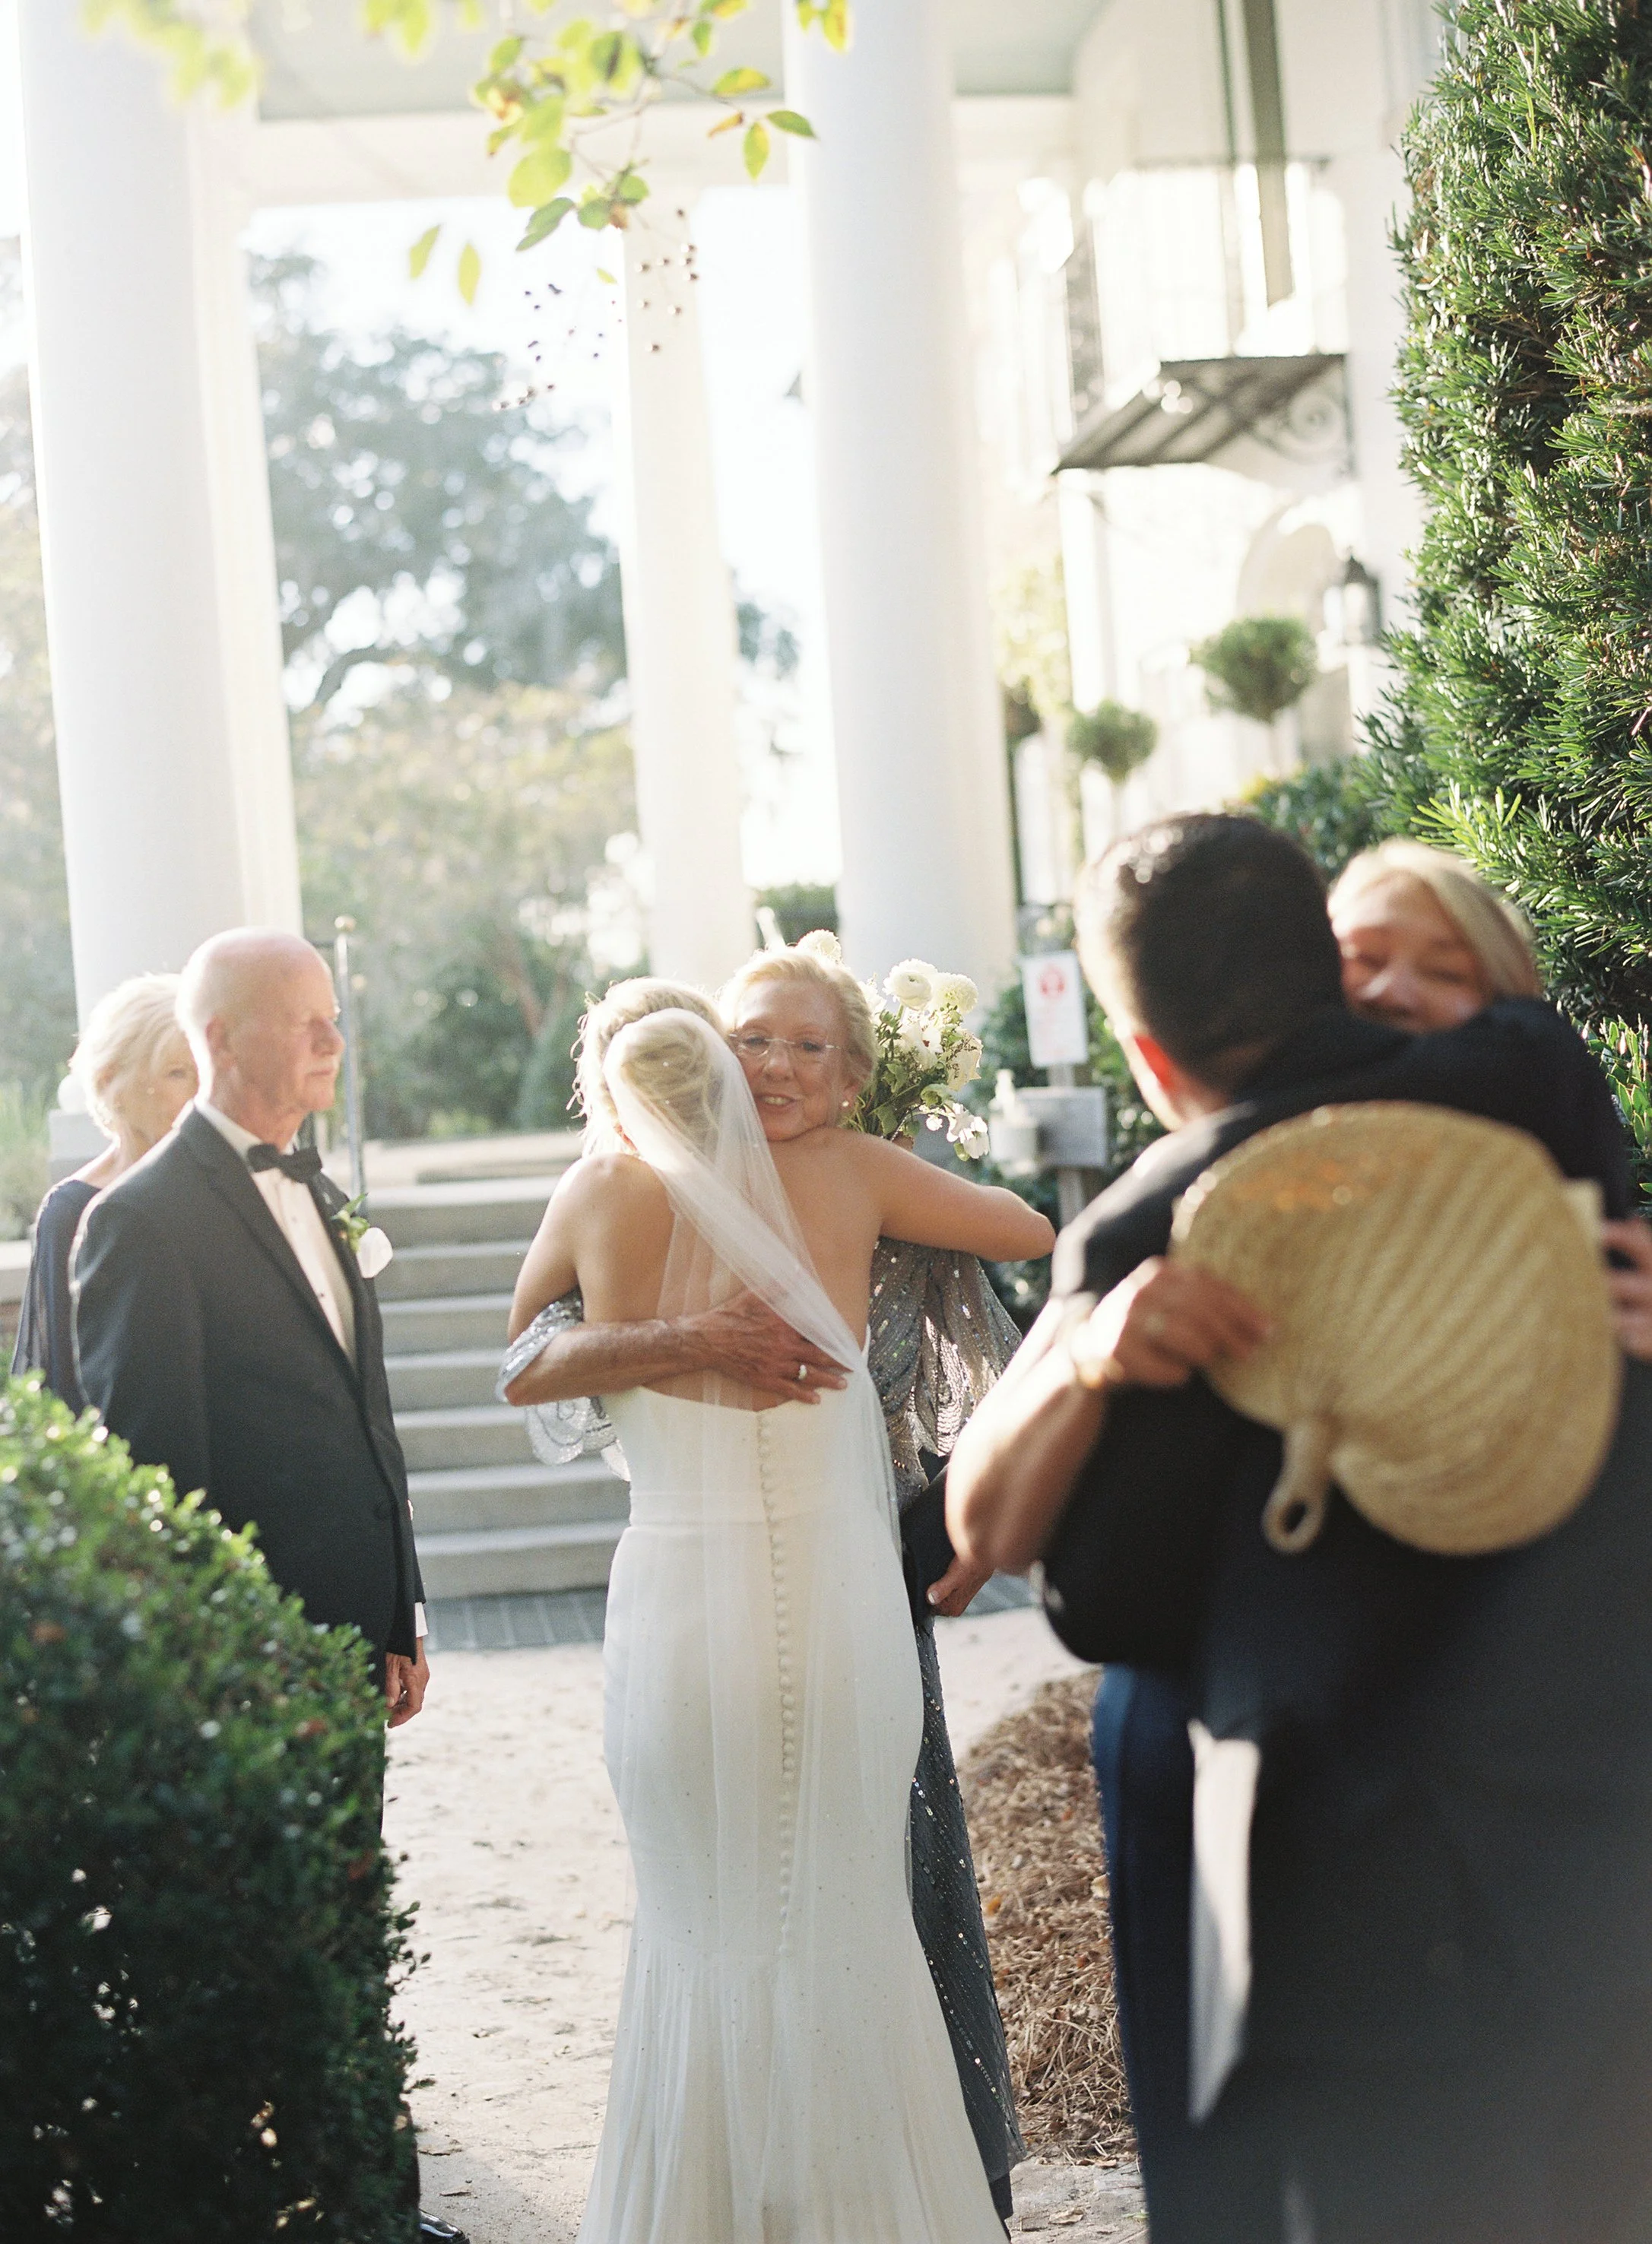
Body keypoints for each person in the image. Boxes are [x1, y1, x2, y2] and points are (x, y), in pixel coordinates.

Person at [950, 814, 1652, 2242]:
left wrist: (1087, 1345)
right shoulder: (1532, 1076)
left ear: (1147, 1060)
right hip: (1570, 1823)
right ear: (1331, 977)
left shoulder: (1143, 1229)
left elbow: (1020, 1556)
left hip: (1302, 1855)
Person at [515, 979, 1051, 2244]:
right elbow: (1027, 1228)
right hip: (836, 1599)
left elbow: (521, 1354)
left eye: (805, 1047)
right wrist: (895, 1212)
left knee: (700, 1915)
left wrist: (663, 1333)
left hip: (681, 1610)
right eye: (754, 1043)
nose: (775, 1067)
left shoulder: (596, 1192)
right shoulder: (853, 1175)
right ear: (714, 1057)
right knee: (848, 1906)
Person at [71, 929, 461, 2244]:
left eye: (334, 1020)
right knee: (270, 1941)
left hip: (354, 1634)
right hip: (248, 1660)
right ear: (222, 1037)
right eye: (309, 1024)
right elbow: (153, 1478)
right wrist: (219, 1671)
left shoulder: (323, 1192)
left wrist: (398, 1604)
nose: (333, 1045)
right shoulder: (138, 1223)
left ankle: (378, 2205)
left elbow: (368, 1418)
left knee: (356, 1917)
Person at [12, 973, 197, 1410]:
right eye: (177, 1073)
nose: (199, 1094)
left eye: (204, 1073)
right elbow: (65, 1376)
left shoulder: (232, 1187)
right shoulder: (70, 1211)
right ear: (113, 1084)